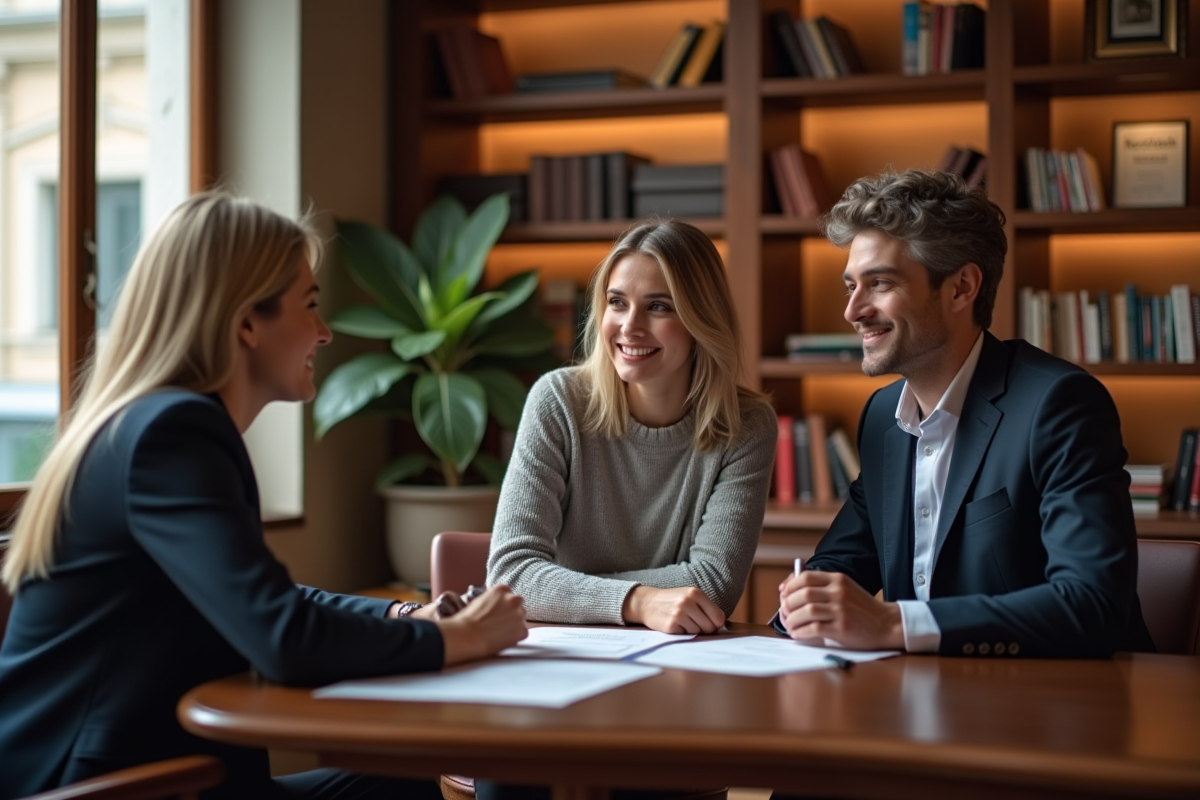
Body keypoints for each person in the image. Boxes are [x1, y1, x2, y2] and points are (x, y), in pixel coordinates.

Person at [0, 192, 528, 799]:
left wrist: (402, 613)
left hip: (160, 771)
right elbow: (282, 638)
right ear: (247, 322)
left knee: (404, 776)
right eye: (309, 305)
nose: (326, 333)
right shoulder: (172, 434)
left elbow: (258, 600)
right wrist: (458, 638)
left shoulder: (154, 425)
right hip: (118, 786)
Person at [774, 169, 1153, 658]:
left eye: (879, 283)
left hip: (1063, 707)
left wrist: (894, 621)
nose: (852, 310)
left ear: (961, 288)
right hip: (922, 701)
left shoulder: (1059, 404)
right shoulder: (882, 415)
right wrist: (805, 603)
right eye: (850, 286)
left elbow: (1090, 605)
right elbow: (844, 560)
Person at [487, 219, 777, 635]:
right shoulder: (558, 401)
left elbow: (714, 584)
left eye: (658, 306)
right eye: (617, 302)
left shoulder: (745, 425)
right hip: (563, 657)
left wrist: (559, 590)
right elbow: (511, 576)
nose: (629, 326)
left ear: (701, 320)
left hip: (676, 662)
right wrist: (638, 601)